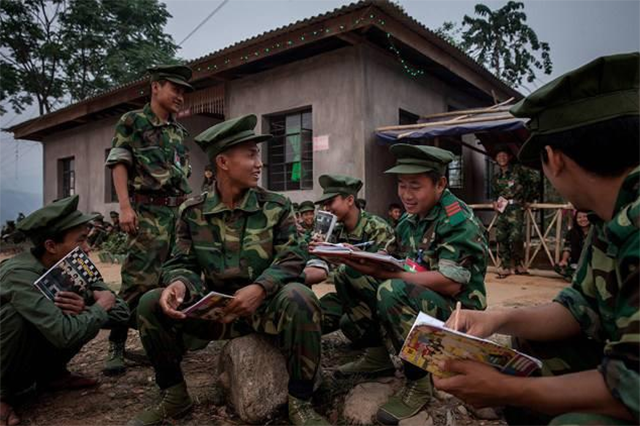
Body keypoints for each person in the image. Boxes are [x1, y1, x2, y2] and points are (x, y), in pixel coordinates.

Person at [433, 53, 640, 426]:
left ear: (554, 159)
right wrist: (498, 319)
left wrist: (505, 390)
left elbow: (634, 388)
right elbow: (580, 307)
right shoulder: (611, 220)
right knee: (528, 344)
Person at [128, 114, 329, 426]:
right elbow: (181, 263)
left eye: (258, 155)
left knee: (300, 296)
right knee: (149, 303)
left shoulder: (275, 205)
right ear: (222, 161)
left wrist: (261, 288)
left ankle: (300, 401)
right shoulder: (192, 211)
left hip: (266, 308)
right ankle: (174, 396)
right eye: (250, 155)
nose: (258, 163)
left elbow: (292, 257)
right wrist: (179, 284)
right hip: (217, 313)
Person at [339, 144, 488, 425]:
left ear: (440, 183)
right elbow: (394, 257)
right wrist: (356, 255)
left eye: (415, 186)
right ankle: (376, 355)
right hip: (421, 297)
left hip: (460, 316)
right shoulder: (410, 219)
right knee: (349, 275)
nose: (406, 195)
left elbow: (452, 283)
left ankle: (418, 380)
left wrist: (395, 277)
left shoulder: (457, 221)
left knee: (391, 290)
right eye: (401, 185)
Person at [0, 196, 129, 426]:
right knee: (14, 317)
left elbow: (121, 313)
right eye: (81, 241)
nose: (88, 249)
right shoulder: (19, 274)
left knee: (73, 311)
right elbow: (65, 333)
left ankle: (51, 375)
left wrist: (86, 305)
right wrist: (96, 307)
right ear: (51, 246)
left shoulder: (72, 266)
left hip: (32, 357)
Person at [103, 64, 194, 375]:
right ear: (156, 86)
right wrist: (125, 207)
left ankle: (165, 341)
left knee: (172, 277)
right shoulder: (133, 121)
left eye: (184, 91)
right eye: (175, 88)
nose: (180, 96)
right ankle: (116, 343)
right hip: (148, 212)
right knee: (137, 280)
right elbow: (119, 163)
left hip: (177, 214)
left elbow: (183, 177)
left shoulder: (179, 132)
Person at [303, 175, 395, 356]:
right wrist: (316, 249)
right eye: (325, 204)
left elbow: (388, 271)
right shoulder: (334, 230)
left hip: (378, 294)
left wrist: (355, 257)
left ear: (350, 200)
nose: (327, 208)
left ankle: (382, 346)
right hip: (347, 294)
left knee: (347, 272)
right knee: (314, 319)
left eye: (331, 202)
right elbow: (317, 264)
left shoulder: (377, 227)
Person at [492, 146, 538, 278]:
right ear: (495, 159)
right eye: (499, 156)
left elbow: (534, 178)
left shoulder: (518, 171)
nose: (502, 158)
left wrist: (529, 198)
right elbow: (495, 193)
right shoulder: (496, 177)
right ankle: (505, 266)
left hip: (516, 207)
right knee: (501, 236)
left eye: (504, 155)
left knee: (516, 237)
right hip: (502, 208)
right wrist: (494, 202)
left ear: (509, 157)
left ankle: (518, 264)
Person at [555, 210, 591, 280]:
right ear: (576, 220)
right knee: (558, 267)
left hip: (590, 263)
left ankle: (577, 277)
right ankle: (576, 276)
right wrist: (564, 260)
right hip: (575, 263)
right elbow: (567, 247)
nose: (582, 219)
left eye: (585, 217)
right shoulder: (572, 232)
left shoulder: (595, 232)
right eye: (579, 217)